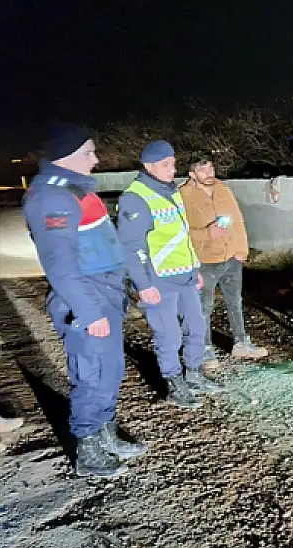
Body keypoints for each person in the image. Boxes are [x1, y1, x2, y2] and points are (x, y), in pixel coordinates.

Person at [20, 123, 148, 477]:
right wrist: (90, 311)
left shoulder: (74, 190)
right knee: (91, 374)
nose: (97, 159)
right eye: (89, 152)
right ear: (68, 156)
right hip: (86, 295)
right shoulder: (52, 197)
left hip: (105, 290)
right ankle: (88, 449)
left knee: (109, 371)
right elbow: (59, 264)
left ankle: (105, 434)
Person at [115, 140, 225, 409]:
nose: (171, 169)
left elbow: (182, 236)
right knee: (169, 335)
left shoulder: (171, 191)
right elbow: (130, 247)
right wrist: (142, 283)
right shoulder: (135, 197)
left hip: (185, 275)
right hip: (158, 280)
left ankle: (195, 374)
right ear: (148, 166)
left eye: (173, 163)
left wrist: (194, 268)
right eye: (166, 165)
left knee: (197, 327)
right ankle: (174, 383)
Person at [178, 153, 268, 370]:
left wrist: (241, 250)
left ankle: (241, 343)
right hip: (204, 260)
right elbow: (179, 232)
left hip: (231, 257)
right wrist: (206, 233)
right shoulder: (182, 195)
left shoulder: (223, 190)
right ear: (192, 174)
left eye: (210, 168)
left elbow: (237, 220)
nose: (209, 174)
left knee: (235, 302)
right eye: (202, 170)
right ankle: (204, 349)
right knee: (203, 307)